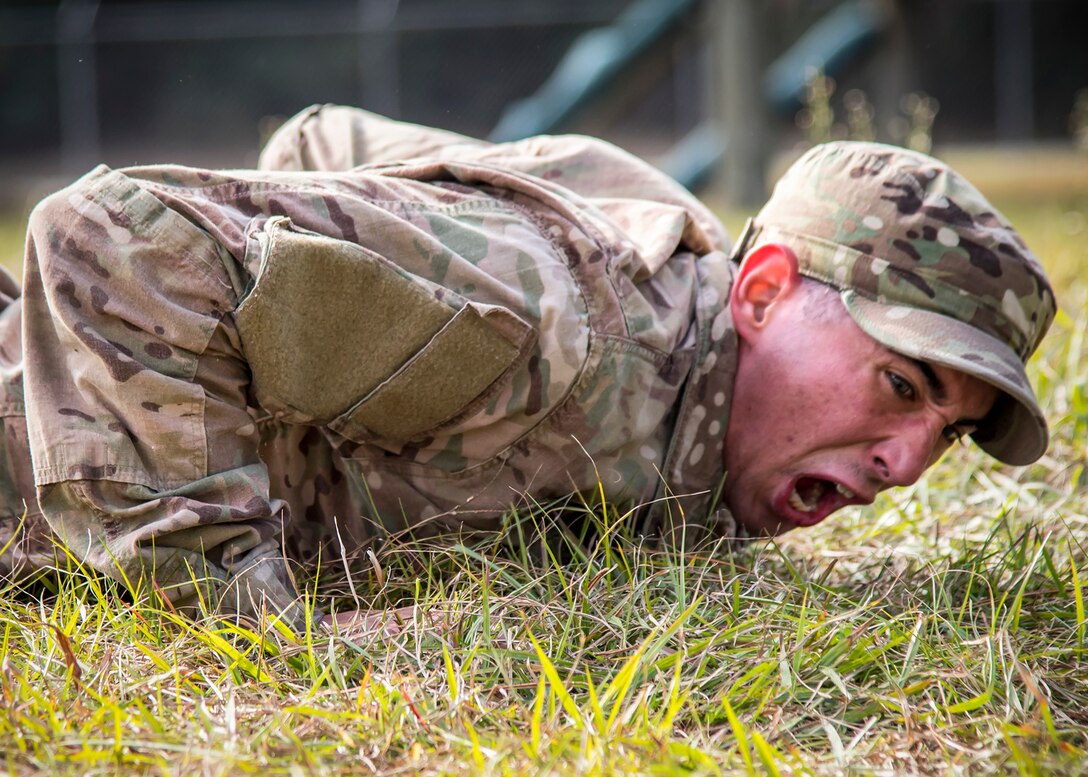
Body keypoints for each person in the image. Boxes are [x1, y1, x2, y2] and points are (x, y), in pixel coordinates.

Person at [0, 105, 1056, 632]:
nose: (907, 465)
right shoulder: (546, 324)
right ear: (764, 289)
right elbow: (109, 237)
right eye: (901, 386)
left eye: (946, 430)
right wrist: (244, 616)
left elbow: (320, 143)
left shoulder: (697, 406)